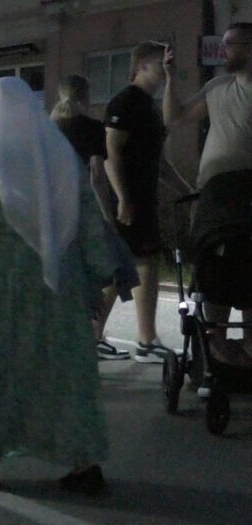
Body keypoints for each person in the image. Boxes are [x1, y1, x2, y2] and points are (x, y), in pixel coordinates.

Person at [0, 77, 120, 494]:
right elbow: (89, 222)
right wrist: (97, 280)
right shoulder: (62, 155)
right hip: (63, 283)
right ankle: (83, 465)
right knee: (65, 377)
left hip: (3, 289)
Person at [163, 22, 252, 365]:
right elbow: (175, 117)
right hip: (215, 196)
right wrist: (170, 78)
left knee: (246, 261)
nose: (223, 50)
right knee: (214, 259)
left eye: (231, 44)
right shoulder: (217, 87)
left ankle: (248, 342)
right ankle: (215, 341)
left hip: (245, 193)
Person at [103, 41, 193, 364]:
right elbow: (110, 154)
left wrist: (187, 190)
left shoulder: (150, 108)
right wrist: (123, 198)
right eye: (160, 65)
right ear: (141, 65)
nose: (165, 71)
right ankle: (142, 340)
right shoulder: (126, 102)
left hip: (143, 199)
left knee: (132, 265)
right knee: (132, 265)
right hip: (128, 201)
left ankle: (118, 338)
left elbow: (160, 162)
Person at [52, 74, 134, 361]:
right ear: (86, 97)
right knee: (111, 267)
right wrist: (108, 217)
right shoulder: (91, 128)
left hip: (53, 214)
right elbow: (97, 175)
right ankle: (92, 336)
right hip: (82, 212)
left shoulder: (48, 128)